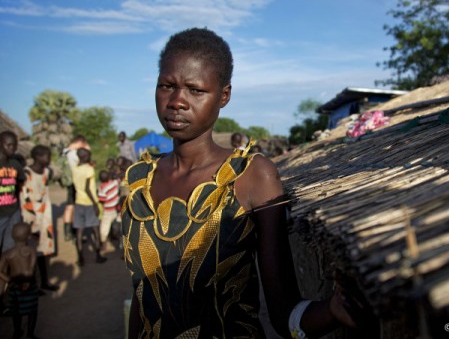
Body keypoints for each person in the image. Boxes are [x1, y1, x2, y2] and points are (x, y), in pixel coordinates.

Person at [121, 28, 360, 339]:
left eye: (195, 90)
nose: (177, 101)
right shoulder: (141, 182)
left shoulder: (250, 176)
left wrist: (331, 311)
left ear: (224, 96)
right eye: (167, 86)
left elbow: (283, 312)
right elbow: (143, 300)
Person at [20, 145, 59, 292]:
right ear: (38, 157)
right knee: (31, 251)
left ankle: (44, 281)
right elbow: (25, 198)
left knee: (43, 250)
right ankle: (32, 284)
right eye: (47, 156)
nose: (49, 160)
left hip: (44, 218)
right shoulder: (27, 173)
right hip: (31, 217)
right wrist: (31, 219)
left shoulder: (45, 172)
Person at [0, 222, 39, 339]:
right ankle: (30, 333)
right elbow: (31, 270)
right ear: (28, 236)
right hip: (28, 284)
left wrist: (9, 280)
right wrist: (27, 282)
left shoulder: (8, 253)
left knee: (15, 310)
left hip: (14, 285)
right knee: (32, 309)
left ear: (12, 236)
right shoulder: (30, 251)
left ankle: (17, 331)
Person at [71, 148, 106, 266]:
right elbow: (87, 188)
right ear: (85, 156)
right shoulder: (89, 169)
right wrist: (95, 204)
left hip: (78, 202)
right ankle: (98, 255)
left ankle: (80, 257)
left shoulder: (75, 169)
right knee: (95, 229)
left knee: (79, 231)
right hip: (89, 203)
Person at [0, 131, 25, 256]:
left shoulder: (15, 165)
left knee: (10, 246)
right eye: (8, 145)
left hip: (13, 211)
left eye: (14, 145)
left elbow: (20, 183)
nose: (12, 148)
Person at [61, 135, 90, 242]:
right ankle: (76, 232)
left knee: (69, 206)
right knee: (76, 208)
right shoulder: (74, 154)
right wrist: (87, 148)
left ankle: (68, 233)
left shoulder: (66, 152)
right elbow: (87, 159)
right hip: (76, 183)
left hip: (70, 183)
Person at [97, 170, 120, 253]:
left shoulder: (102, 188)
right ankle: (116, 239)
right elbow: (118, 181)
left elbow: (102, 200)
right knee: (117, 226)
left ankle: (104, 244)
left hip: (107, 211)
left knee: (104, 230)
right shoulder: (114, 183)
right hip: (116, 209)